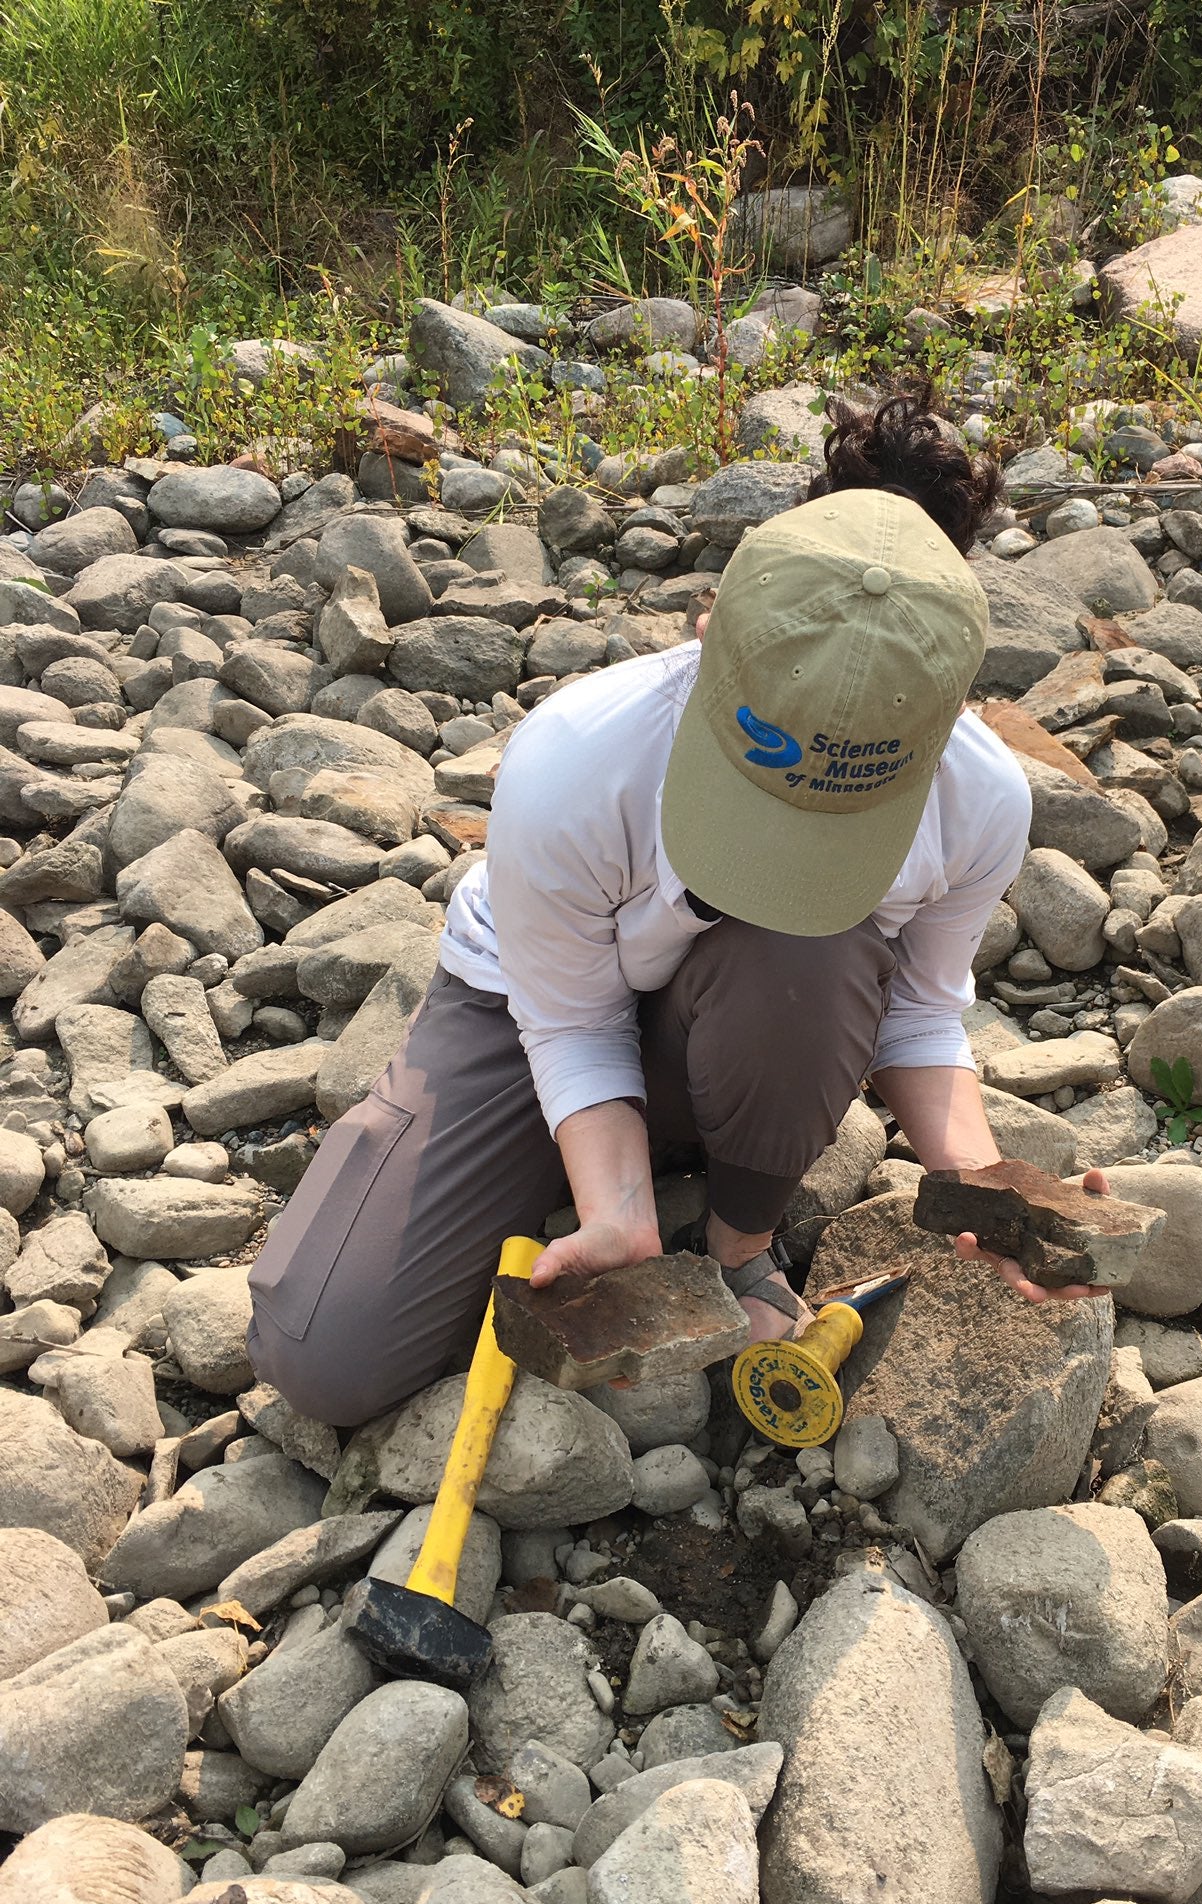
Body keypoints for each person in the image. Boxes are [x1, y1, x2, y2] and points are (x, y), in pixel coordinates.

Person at [248, 389, 1107, 1427]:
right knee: (323, 1359)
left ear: (943, 714)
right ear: (710, 630)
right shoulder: (578, 759)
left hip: (764, 1015)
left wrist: (985, 1185)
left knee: (809, 953)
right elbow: (565, 1016)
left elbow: (920, 1012)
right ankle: (605, 1168)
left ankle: (742, 1248)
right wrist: (616, 1212)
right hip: (529, 1018)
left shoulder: (980, 794)